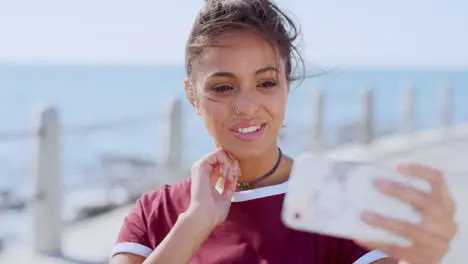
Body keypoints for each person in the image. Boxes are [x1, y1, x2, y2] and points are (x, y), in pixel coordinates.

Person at [110, 0, 458, 263]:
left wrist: (425, 256)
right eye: (223, 87)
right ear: (192, 95)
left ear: (287, 86)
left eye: (265, 82)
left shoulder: (335, 201)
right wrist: (195, 223)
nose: (246, 106)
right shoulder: (155, 213)